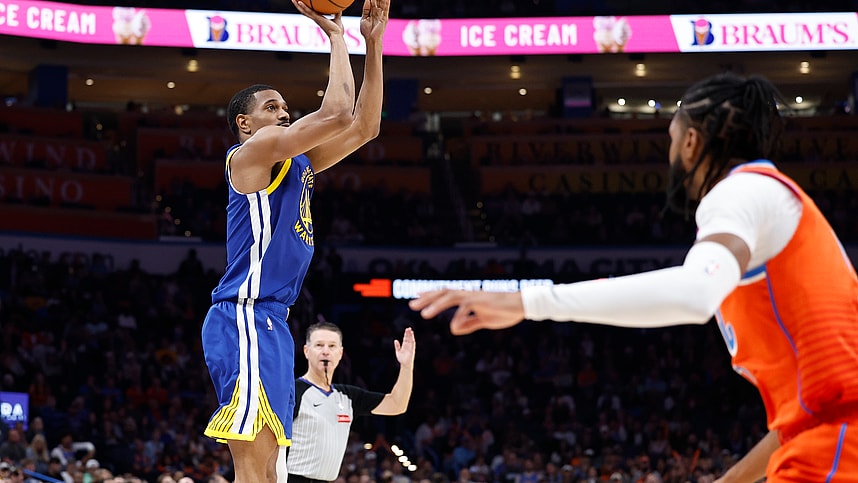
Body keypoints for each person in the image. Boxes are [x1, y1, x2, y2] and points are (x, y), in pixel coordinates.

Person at [409, 73, 858, 482]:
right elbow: (799, 420)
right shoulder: (770, 205)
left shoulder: (741, 190)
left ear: (691, 142)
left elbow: (695, 294)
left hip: (835, 446)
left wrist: (530, 301)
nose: (670, 154)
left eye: (671, 138)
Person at [200, 0, 391, 480]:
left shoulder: (297, 162)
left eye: (286, 107)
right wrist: (336, 36)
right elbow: (337, 112)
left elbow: (365, 127)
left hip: (274, 322)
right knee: (253, 464)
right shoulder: (250, 153)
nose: (283, 113)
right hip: (243, 315)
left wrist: (373, 44)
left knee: (270, 467)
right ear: (245, 124)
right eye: (271, 107)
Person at [282, 322, 415, 483]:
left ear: (340, 353)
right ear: (306, 351)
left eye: (332, 346)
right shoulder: (292, 391)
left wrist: (406, 366)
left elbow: (397, 405)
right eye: (319, 345)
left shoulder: (348, 396)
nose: (326, 351)